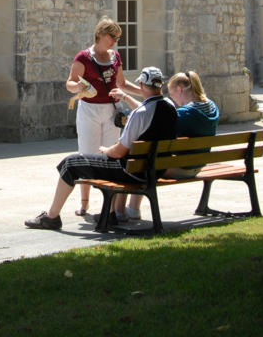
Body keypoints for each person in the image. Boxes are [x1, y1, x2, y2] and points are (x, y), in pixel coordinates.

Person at [25, 67, 177, 230]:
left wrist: (106, 150)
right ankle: (109, 214)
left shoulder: (140, 114)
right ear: (161, 85)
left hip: (130, 172)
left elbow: (119, 152)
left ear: (141, 84)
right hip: (154, 170)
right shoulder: (169, 107)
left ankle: (51, 217)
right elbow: (146, 110)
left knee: (70, 163)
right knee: (79, 161)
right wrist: (125, 97)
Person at [66, 16, 142, 216]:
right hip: (89, 109)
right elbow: (70, 83)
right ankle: (84, 202)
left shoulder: (115, 57)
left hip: (111, 109)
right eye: (113, 36)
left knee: (111, 154)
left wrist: (144, 92)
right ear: (100, 34)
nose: (116, 41)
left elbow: (122, 84)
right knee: (88, 153)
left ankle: (112, 204)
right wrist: (78, 86)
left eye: (118, 37)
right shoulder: (83, 57)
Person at [122, 69, 220, 219]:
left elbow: (150, 117)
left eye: (172, 94)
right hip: (199, 164)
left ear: (180, 89)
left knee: (144, 161)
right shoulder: (211, 107)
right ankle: (131, 209)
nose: (173, 99)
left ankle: (132, 209)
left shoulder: (184, 114)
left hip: (181, 167)